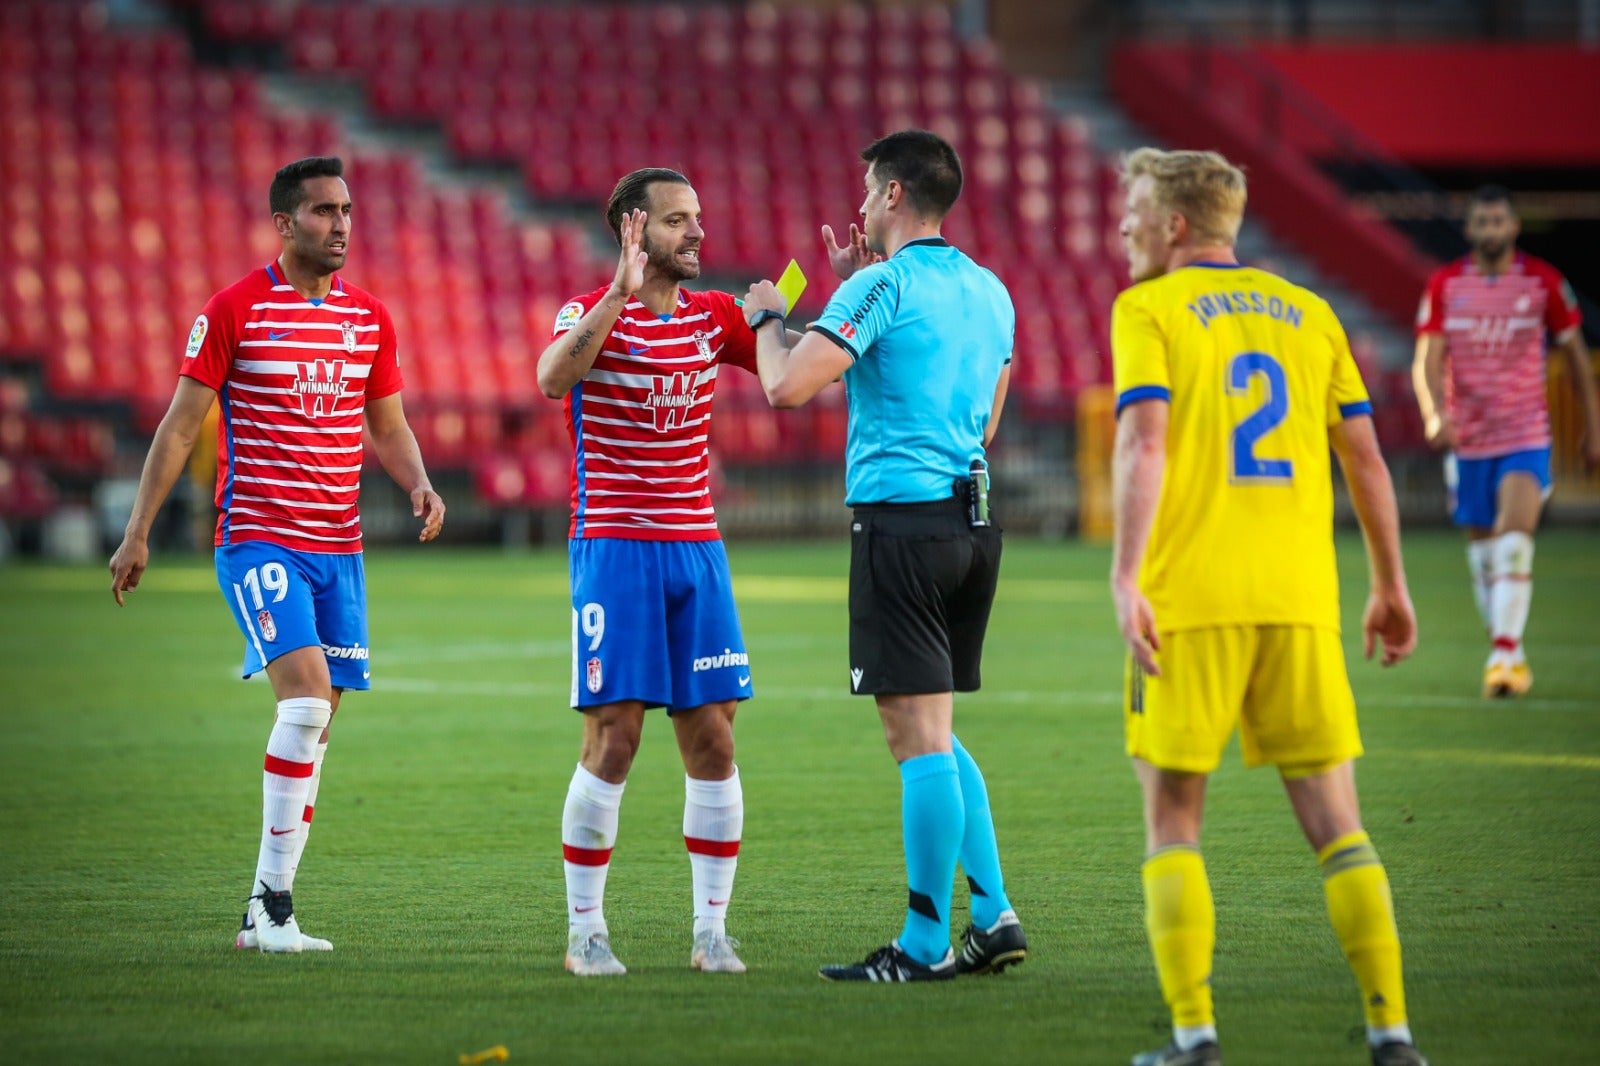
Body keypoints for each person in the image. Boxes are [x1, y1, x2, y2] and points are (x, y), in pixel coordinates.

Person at [1108, 147, 1425, 1066]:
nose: (1123, 225)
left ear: (1174, 225)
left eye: (1136, 209)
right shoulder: (1311, 312)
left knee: (1174, 821)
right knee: (1339, 825)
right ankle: (1392, 1033)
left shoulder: (1149, 308)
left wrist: (1125, 576)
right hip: (1300, 601)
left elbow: (1145, 443)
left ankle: (1195, 1036)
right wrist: (1391, 584)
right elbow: (1365, 459)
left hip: (1189, 603)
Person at [108, 156, 446, 953]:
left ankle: (266, 910)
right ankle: (271, 906)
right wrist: (138, 529)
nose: (341, 225)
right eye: (325, 211)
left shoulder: (369, 317)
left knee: (318, 724)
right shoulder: (234, 309)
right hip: (259, 536)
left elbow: (387, 424)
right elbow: (181, 426)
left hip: (340, 547)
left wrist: (419, 482)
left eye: (347, 210)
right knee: (305, 702)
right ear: (285, 224)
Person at [740, 128, 1025, 983]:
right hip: (973, 527)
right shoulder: (990, 290)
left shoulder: (880, 284)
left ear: (894, 194)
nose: (862, 203)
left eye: (869, 188)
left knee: (914, 737)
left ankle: (924, 944)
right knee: (936, 730)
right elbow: (986, 423)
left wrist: (769, 319)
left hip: (902, 527)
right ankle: (994, 914)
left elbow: (784, 385)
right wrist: (853, 304)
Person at [537, 168, 792, 977]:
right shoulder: (590, 312)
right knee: (615, 737)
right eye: (678, 220)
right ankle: (585, 933)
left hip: (697, 550)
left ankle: (712, 932)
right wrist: (618, 294)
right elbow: (551, 379)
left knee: (714, 735)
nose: (697, 232)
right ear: (634, 229)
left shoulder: (712, 317)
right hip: (615, 549)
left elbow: (789, 367)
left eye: (698, 217)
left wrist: (812, 298)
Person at [1412, 184, 1600, 699]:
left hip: (1525, 434)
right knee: (1485, 557)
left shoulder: (1543, 282)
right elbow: (1427, 359)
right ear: (1469, 229)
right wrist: (1434, 414)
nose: (1491, 230)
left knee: (1514, 541)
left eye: (1499, 221)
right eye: (1482, 222)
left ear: (1514, 226)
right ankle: (1508, 654)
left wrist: (1594, 426)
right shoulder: (1446, 285)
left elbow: (1576, 359)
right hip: (1468, 441)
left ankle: (1503, 654)